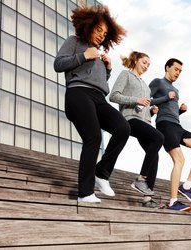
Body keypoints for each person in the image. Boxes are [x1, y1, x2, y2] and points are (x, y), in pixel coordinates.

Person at [54, 5, 130, 203]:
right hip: (78, 94)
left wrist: (107, 69)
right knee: (93, 137)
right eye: (98, 30)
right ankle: (85, 193)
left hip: (98, 98)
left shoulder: (99, 53)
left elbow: (98, 80)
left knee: (123, 128)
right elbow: (58, 64)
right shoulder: (75, 42)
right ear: (89, 26)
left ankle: (102, 173)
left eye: (105, 33)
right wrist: (83, 55)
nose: (101, 36)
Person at [149, 58, 191, 211]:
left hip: (177, 126)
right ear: (167, 68)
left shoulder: (176, 90)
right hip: (164, 125)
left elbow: (171, 110)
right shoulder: (158, 82)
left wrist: (180, 111)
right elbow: (146, 100)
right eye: (176, 69)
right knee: (180, 160)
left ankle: (187, 186)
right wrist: (164, 98)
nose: (178, 73)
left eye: (180, 71)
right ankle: (173, 201)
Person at [109, 51, 164, 208]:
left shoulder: (146, 86)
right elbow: (113, 96)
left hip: (145, 122)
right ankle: (140, 179)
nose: (146, 66)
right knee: (159, 138)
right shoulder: (125, 75)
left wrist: (151, 112)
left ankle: (147, 199)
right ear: (136, 60)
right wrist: (135, 100)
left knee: (155, 156)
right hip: (129, 119)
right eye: (144, 62)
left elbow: (143, 107)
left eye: (148, 65)